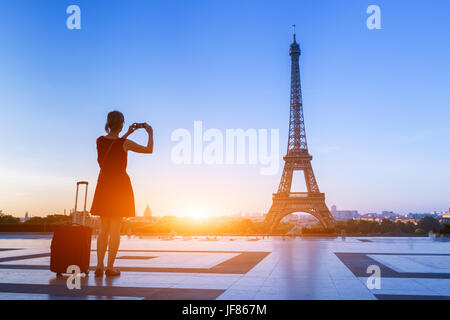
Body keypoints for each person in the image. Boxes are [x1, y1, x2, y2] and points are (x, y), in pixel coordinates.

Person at [90, 110, 153, 277]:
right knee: (115, 229)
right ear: (122, 124)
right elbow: (149, 150)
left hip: (104, 184)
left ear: (108, 123)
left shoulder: (99, 141)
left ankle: (99, 266)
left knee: (103, 230)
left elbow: (114, 144)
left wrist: (127, 133)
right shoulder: (126, 143)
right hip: (119, 186)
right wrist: (150, 132)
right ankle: (110, 267)